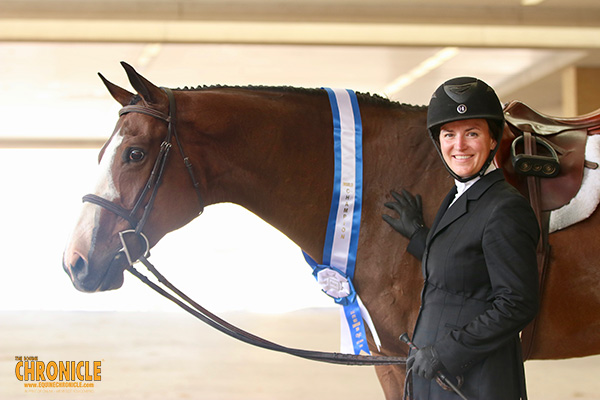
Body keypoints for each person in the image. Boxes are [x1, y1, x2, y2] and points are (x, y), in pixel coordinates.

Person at [383, 77, 540, 399]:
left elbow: (517, 303)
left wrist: (447, 352)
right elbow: (463, 265)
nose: (460, 145)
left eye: (472, 133)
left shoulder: (505, 208)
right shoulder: (460, 196)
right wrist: (418, 236)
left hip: (472, 378)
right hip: (436, 372)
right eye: (449, 134)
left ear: (493, 139)